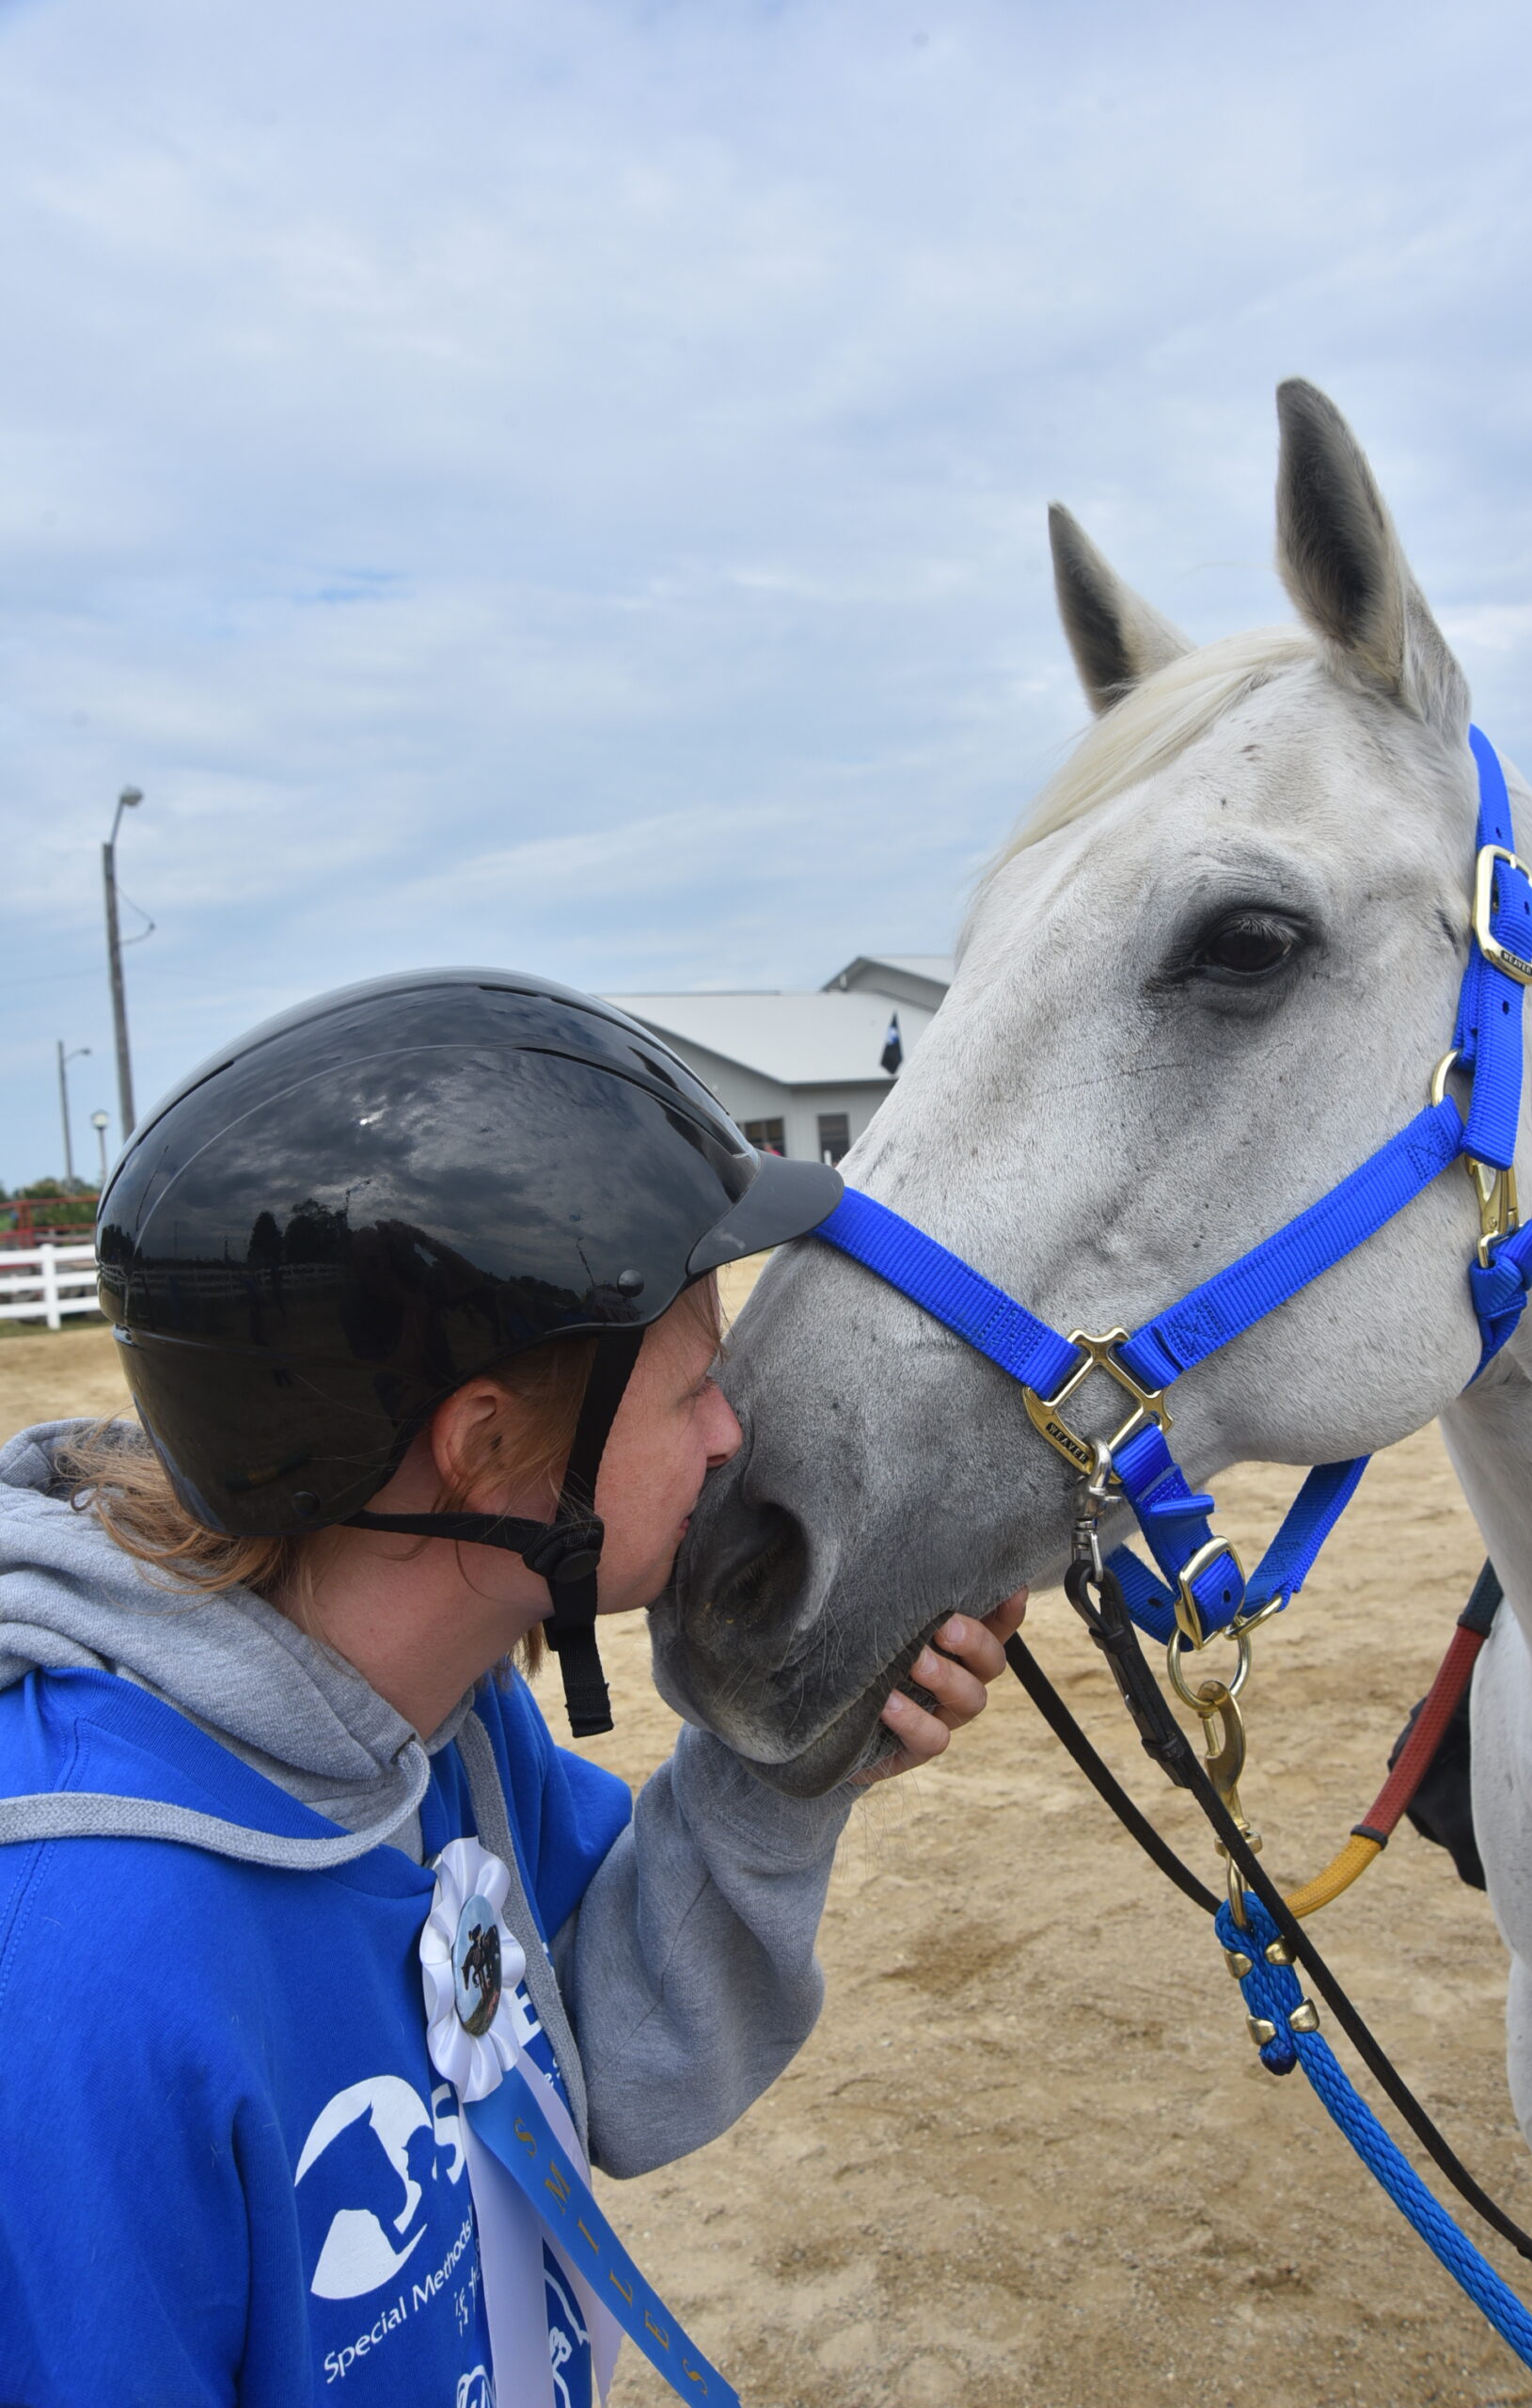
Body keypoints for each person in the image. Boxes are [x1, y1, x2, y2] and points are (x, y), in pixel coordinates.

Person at [0, 969, 1024, 2408]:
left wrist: (782, 1770)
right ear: (484, 1451)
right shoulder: (78, 1968)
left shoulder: (441, 1719)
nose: (733, 1436)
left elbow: (601, 2048)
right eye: (691, 1393)